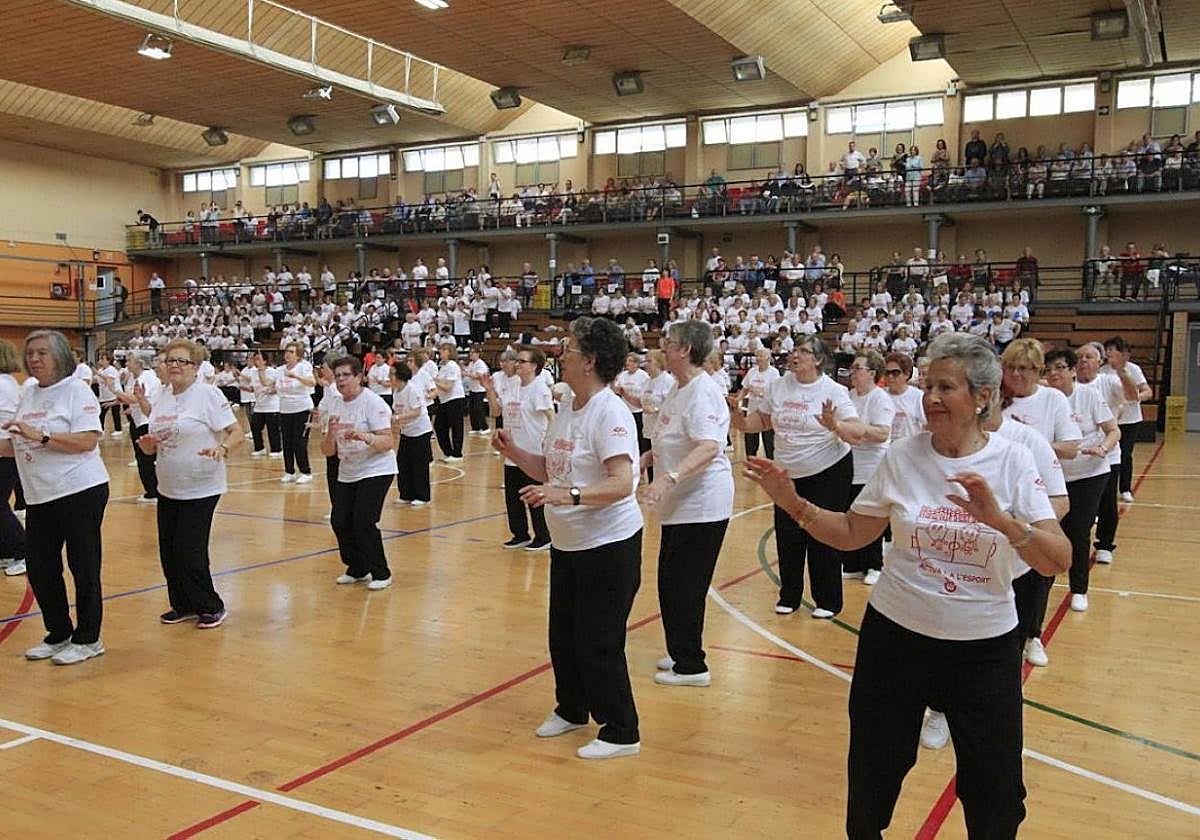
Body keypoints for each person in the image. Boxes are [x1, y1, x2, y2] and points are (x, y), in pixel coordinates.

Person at [744, 332, 1070, 840]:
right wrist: (791, 501)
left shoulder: (1013, 459)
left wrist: (1003, 522)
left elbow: (1056, 561)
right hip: (895, 639)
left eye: (947, 387)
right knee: (874, 771)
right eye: (927, 385)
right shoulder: (903, 455)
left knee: (996, 788)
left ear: (982, 397)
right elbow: (854, 533)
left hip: (984, 648)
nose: (932, 398)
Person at [494, 317, 643, 760]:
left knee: (598, 640)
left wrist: (567, 495)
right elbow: (552, 470)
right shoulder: (569, 407)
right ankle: (573, 709)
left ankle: (621, 730)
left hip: (608, 546)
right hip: (569, 545)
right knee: (563, 634)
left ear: (591, 360)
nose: (562, 353)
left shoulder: (609, 411)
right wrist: (516, 453)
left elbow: (621, 483)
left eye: (570, 348)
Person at [728, 336, 866, 617]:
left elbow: (857, 432)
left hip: (828, 471)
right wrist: (740, 420)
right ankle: (789, 595)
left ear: (817, 360)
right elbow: (763, 421)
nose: (795, 355)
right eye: (795, 350)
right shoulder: (779, 385)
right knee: (788, 534)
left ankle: (827, 600)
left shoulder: (834, 390)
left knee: (823, 534)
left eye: (803, 351)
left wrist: (834, 424)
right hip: (787, 474)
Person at [2, 330, 110, 665]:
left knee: (83, 565)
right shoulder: (29, 392)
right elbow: (17, 443)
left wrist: (43, 436)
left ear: (60, 356)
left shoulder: (76, 389)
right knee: (41, 567)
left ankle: (89, 638)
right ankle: (59, 632)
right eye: (30, 353)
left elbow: (87, 441)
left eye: (42, 353)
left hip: (80, 490)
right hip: (40, 494)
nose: (34, 359)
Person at [644, 320, 733, 687]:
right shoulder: (677, 389)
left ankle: (693, 665)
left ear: (685, 350)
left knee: (685, 584)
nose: (664, 346)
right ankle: (682, 649)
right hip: (681, 506)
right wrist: (645, 460)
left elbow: (709, 446)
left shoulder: (702, 391)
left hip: (702, 503)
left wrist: (669, 477)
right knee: (671, 581)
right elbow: (669, 440)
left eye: (670, 342)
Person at [136, 339, 240, 628]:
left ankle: (210, 605)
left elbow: (236, 431)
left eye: (182, 361)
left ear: (195, 367)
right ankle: (182, 604)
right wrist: (148, 447)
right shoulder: (163, 396)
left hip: (201, 485)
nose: (175, 366)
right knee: (168, 550)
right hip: (168, 485)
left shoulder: (207, 394)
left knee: (189, 549)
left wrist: (223, 449)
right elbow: (159, 442)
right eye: (171, 361)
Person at [1001, 338, 1081, 668]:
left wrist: (1033, 442)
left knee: (1037, 569)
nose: (1016, 374)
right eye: (1010, 367)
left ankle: (1032, 634)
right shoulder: (997, 399)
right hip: (1002, 492)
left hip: (1041, 491)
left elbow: (1072, 446)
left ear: (1039, 371)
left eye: (1025, 368)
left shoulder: (1052, 400)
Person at [1044, 348, 1119, 613]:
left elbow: (1113, 430)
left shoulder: (1089, 395)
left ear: (1072, 371)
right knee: (1049, 530)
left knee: (1078, 530)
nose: (1054, 374)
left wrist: (1103, 448)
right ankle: (1046, 580)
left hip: (1090, 473)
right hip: (1055, 476)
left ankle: (1079, 588)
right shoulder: (1045, 399)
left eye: (1060, 368)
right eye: (1049, 369)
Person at [321, 356, 396, 589]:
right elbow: (326, 451)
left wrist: (365, 437)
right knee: (340, 520)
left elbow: (388, 441)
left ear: (359, 377)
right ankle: (357, 567)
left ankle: (381, 572)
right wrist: (330, 434)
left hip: (376, 468)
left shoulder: (373, 403)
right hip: (348, 469)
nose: (341, 380)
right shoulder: (334, 405)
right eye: (338, 375)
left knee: (363, 520)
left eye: (346, 375)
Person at [486, 346, 554, 550]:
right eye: (517, 361)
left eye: (522, 361)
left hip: (533, 452)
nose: (517, 364)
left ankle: (544, 536)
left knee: (534, 497)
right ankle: (520, 534)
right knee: (513, 498)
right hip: (512, 452)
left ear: (534, 366)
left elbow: (552, 417)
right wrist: (489, 390)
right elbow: (495, 411)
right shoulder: (510, 386)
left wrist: (549, 441)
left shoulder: (539, 388)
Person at [843, 351, 895, 586]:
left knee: (869, 517)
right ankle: (853, 564)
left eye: (858, 368)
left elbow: (882, 433)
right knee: (849, 515)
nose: (852, 372)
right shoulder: (848, 396)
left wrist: (854, 431)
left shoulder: (880, 398)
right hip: (847, 464)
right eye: (852, 368)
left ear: (872, 373)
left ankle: (874, 564)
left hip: (871, 467)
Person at [1101, 336, 1151, 504]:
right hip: (1110, 420)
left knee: (1125, 454)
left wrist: (1134, 398)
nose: (1108, 353)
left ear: (1123, 354)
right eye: (1107, 349)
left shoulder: (1133, 369)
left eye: (1112, 349)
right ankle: (1105, 491)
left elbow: (1147, 391)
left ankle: (1125, 489)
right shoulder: (1103, 371)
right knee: (1108, 456)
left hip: (1131, 420)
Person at [114, 354, 162, 503]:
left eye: (129, 360)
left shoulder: (146, 377)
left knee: (145, 459)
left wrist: (115, 390)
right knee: (143, 458)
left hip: (146, 422)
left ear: (139, 363)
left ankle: (152, 492)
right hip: (139, 420)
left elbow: (138, 398)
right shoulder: (135, 378)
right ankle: (152, 490)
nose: (127, 363)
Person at [0, 339, 27, 577]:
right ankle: (7, 549)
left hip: (4, 450)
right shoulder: (8, 382)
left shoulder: (2, 384)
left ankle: (23, 550)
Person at [390, 361, 434, 507]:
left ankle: (422, 495)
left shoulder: (412, 389)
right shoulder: (396, 392)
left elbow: (417, 411)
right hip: (406, 432)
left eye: (392, 374)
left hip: (420, 431)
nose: (389, 377)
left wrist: (398, 418)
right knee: (403, 463)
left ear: (400, 375)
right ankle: (406, 494)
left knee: (419, 464)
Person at [276, 342, 316, 484]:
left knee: (299, 442)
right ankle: (289, 471)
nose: (287, 354)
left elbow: (312, 383)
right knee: (286, 442)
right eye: (286, 351)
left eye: (291, 352)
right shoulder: (280, 370)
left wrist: (295, 376)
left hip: (302, 409)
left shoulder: (304, 367)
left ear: (298, 355)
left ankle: (306, 471)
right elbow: (271, 383)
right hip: (285, 409)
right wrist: (261, 371)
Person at [736, 348, 780, 459]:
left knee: (769, 442)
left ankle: (771, 466)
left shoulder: (774, 373)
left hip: (767, 414)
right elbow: (745, 388)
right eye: (757, 356)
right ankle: (751, 466)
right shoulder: (752, 371)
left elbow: (776, 394)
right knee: (750, 441)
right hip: (752, 411)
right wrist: (738, 400)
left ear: (768, 358)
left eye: (761, 356)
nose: (758, 358)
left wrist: (760, 393)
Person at [433, 342, 466, 461]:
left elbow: (448, 386)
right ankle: (448, 452)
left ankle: (457, 453)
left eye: (443, 350)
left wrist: (434, 380)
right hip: (444, 400)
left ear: (449, 352)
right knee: (439, 426)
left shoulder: (452, 365)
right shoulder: (443, 366)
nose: (440, 352)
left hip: (454, 399)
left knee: (456, 427)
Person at [248, 351, 282, 458]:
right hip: (259, 405)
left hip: (272, 405)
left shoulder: (272, 372)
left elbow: (266, 383)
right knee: (255, 426)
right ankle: (259, 448)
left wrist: (261, 371)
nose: (256, 361)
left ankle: (277, 449)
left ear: (265, 361)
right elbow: (254, 387)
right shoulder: (253, 372)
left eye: (258, 359)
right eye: (255, 359)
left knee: (273, 429)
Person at [94, 353, 123, 438]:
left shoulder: (111, 369)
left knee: (115, 413)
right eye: (101, 359)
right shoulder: (100, 370)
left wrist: (98, 374)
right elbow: (95, 380)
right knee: (101, 413)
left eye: (103, 359)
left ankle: (118, 430)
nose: (101, 361)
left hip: (114, 395)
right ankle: (101, 429)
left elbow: (108, 380)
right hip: (104, 396)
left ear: (108, 361)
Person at [464, 347, 490, 435]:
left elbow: (479, 376)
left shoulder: (480, 364)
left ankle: (485, 427)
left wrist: (468, 374)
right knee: (472, 409)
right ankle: (475, 427)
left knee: (479, 409)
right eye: (470, 353)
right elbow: (467, 372)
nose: (470, 354)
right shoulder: (471, 363)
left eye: (472, 353)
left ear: (478, 354)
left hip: (480, 390)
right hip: (472, 389)